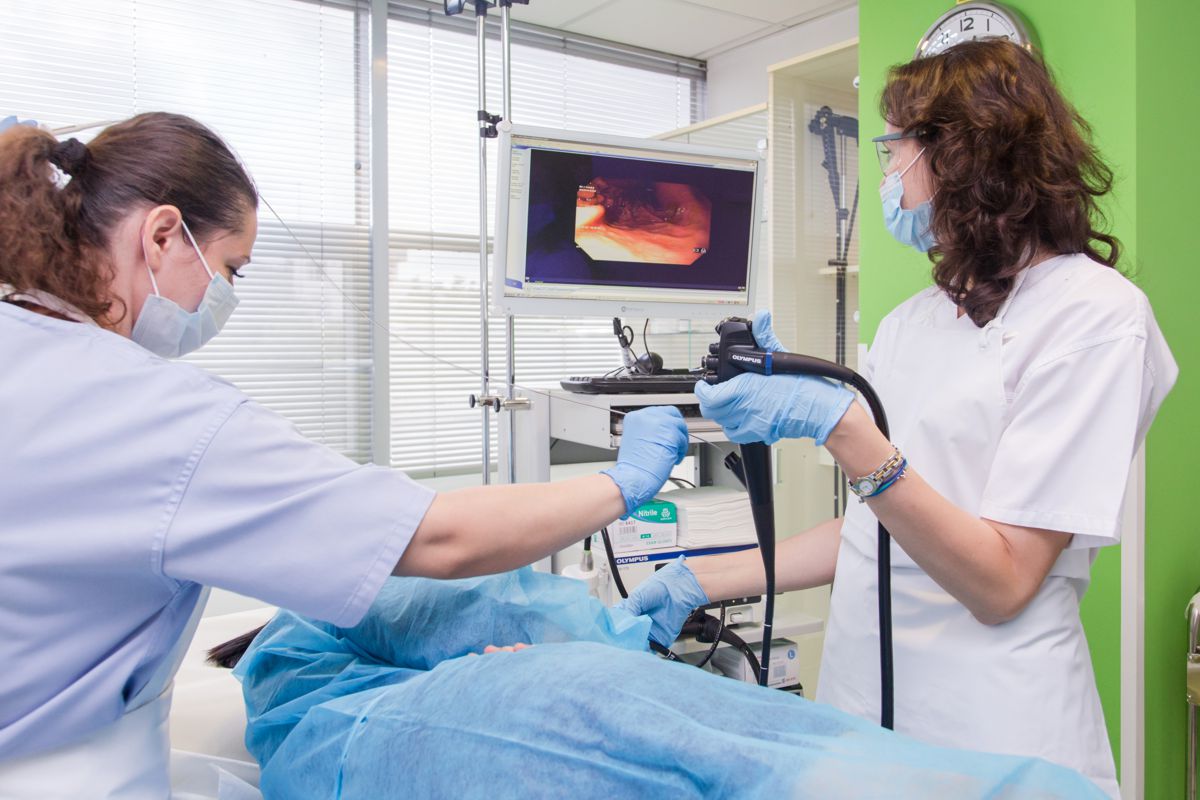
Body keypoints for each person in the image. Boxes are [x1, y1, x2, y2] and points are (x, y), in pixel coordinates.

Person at [0, 112, 689, 797]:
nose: (226, 295)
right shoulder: (156, 416)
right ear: (161, 235)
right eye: (230, 268)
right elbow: (438, 537)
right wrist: (622, 483)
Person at [621, 39, 1176, 798]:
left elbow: (1004, 580)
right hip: (865, 713)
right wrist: (699, 579)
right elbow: (873, 530)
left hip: (994, 732)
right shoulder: (917, 321)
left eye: (892, 151)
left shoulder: (1095, 318)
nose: (887, 178)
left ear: (960, 154)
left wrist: (843, 429)